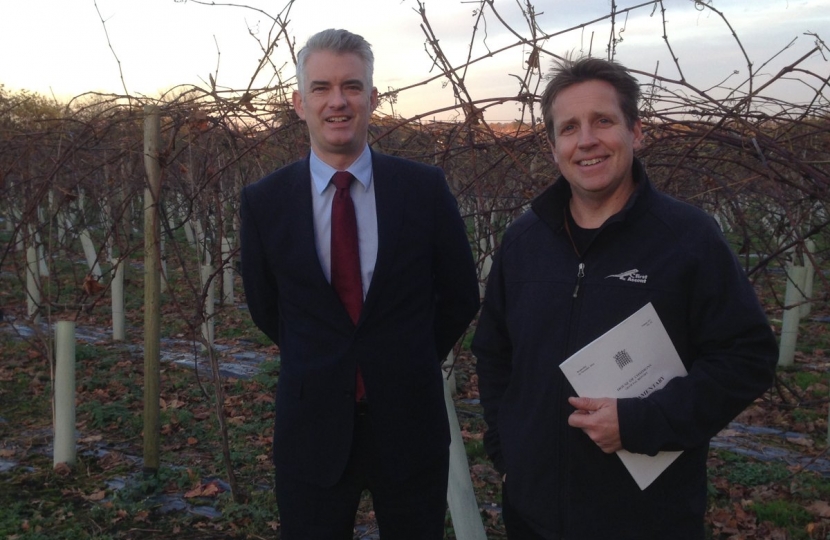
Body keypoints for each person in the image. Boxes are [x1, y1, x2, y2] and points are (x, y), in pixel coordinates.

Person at [472, 57, 778, 540]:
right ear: (553, 147)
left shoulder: (687, 238)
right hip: (531, 516)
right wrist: (507, 454)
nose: (586, 140)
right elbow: (494, 353)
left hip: (646, 519)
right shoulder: (524, 240)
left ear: (636, 133)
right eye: (569, 128)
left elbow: (747, 357)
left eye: (603, 121)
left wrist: (643, 421)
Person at [240, 28, 480, 539]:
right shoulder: (265, 201)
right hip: (312, 428)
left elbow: (460, 294)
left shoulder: (424, 189)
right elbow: (266, 306)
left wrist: (406, 354)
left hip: (409, 423)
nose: (337, 101)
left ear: (372, 98)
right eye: (322, 87)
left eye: (351, 86)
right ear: (299, 102)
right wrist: (322, 356)